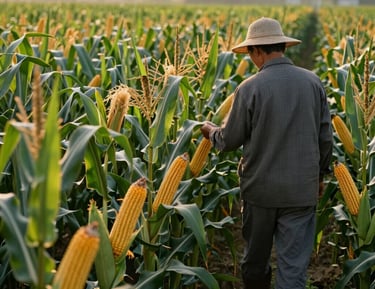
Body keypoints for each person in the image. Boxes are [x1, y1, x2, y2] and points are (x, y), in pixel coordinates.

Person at [200, 17, 332, 289]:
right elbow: (325, 138)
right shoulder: (313, 82)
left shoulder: (249, 88)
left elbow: (229, 140)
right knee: (293, 268)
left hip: (260, 192)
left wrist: (210, 131)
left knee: (256, 262)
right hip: (300, 191)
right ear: (282, 46)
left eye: (250, 54)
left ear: (257, 51)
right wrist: (319, 176)